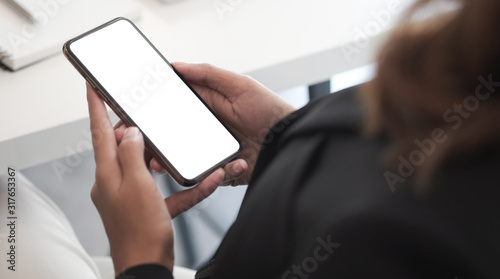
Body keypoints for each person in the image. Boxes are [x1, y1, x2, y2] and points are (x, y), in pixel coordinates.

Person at [2, 0, 500, 278]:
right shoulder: (466, 66)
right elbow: (377, 156)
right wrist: (284, 136)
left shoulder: (412, 245)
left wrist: (141, 257)